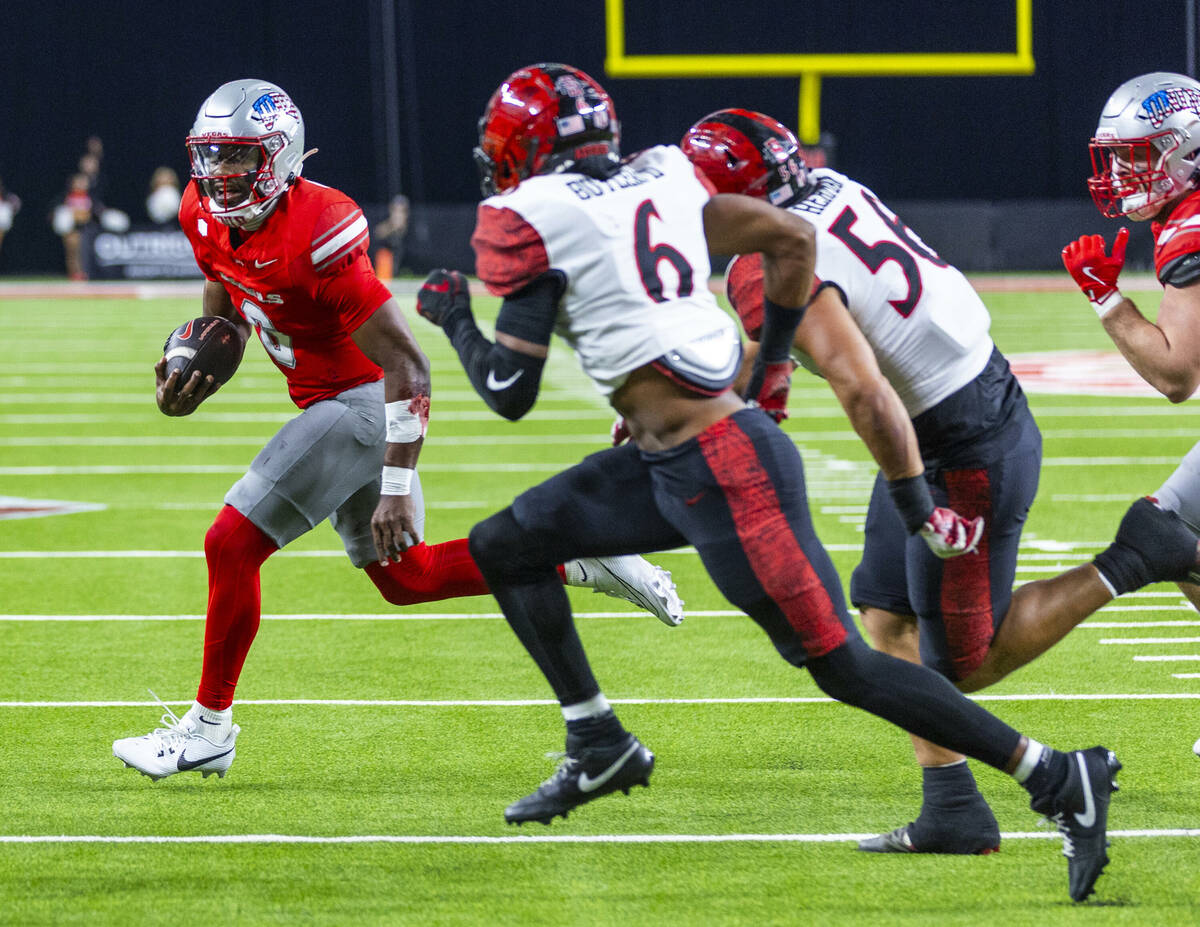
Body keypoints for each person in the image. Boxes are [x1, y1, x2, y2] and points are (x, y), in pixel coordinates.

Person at [416, 62, 1129, 903]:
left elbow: (509, 392)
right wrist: (770, 360)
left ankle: (1053, 774)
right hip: (670, 457)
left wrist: (454, 316)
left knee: (848, 666)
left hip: (727, 469)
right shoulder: (665, 177)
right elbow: (788, 240)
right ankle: (596, 738)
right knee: (509, 542)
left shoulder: (536, 215)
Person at [111, 78, 684, 785]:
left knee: (230, 542)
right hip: (328, 402)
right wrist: (190, 375)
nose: (222, 175)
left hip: (365, 404)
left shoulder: (318, 230)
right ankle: (578, 557)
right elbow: (224, 313)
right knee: (406, 579)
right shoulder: (203, 211)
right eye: (214, 157)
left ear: (282, 157)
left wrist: (396, 481)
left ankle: (208, 728)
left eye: (240, 157)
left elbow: (409, 366)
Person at [680, 108, 1200, 858]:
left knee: (960, 663)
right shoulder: (828, 187)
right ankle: (953, 807)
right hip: (956, 410)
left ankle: (1134, 558)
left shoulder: (767, 261)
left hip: (958, 441)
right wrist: (698, 394)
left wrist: (916, 499)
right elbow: (776, 344)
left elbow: (862, 389)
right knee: (885, 614)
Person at [1061, 69, 1200, 752]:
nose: (1120, 172)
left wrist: (1106, 300)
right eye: (1114, 156)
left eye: (1136, 154)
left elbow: (1177, 375)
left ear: (1185, 148)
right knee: (1174, 535)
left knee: (1170, 530)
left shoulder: (1191, 224)